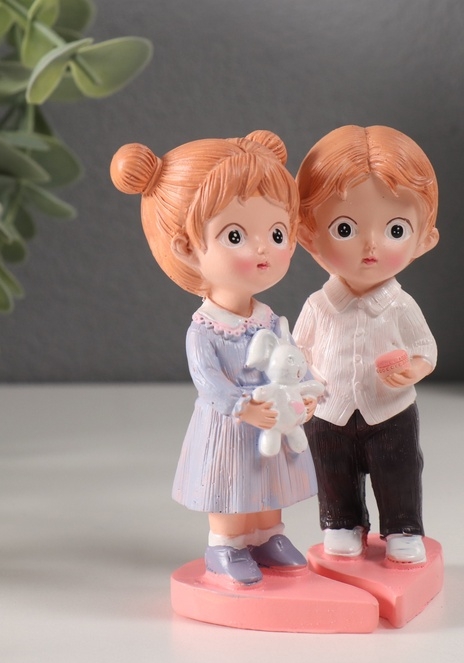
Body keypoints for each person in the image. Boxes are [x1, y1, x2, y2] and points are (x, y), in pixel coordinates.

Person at [111, 131, 317, 585]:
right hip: (231, 424)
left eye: (277, 233)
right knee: (232, 486)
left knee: (268, 484)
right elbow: (208, 381)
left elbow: (293, 358)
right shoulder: (205, 330)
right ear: (187, 248)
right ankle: (226, 545)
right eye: (236, 235)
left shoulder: (269, 319)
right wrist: (243, 407)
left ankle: (268, 536)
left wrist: (307, 390)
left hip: (273, 418)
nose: (263, 248)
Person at [293, 125, 439, 564]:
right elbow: (296, 353)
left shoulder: (401, 305)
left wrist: (414, 369)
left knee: (399, 469)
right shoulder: (318, 306)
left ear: (424, 240)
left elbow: (426, 348)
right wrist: (300, 388)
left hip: (389, 410)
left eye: (396, 229)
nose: (370, 246)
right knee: (331, 469)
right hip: (329, 410)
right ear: (308, 234)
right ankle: (341, 521)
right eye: (345, 228)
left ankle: (403, 526)